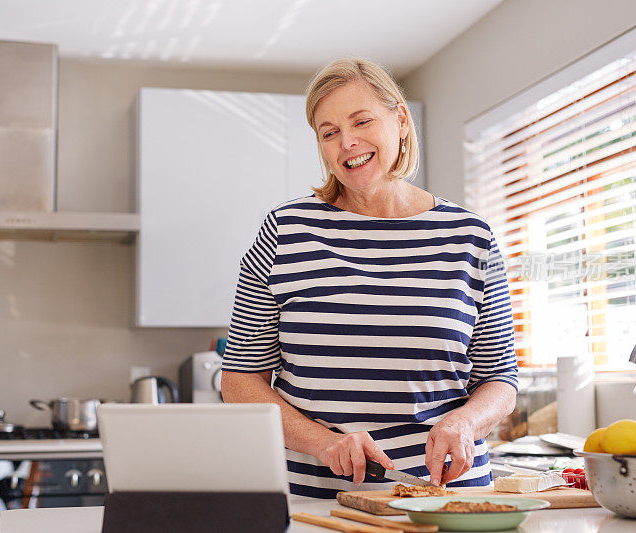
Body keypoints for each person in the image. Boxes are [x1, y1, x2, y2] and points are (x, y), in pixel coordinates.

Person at [221, 58, 518, 499]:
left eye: (362, 121)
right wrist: (325, 443)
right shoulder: (286, 232)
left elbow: (500, 378)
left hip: (449, 497)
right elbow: (240, 380)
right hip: (319, 501)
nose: (348, 142)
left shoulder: (471, 236)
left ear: (400, 119)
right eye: (329, 132)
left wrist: (465, 421)